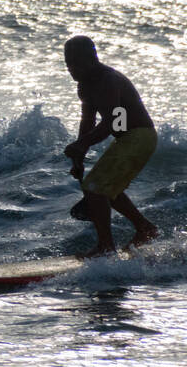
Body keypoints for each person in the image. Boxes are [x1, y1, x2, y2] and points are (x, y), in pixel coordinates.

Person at [61, 36, 159, 257]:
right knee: (105, 188)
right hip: (127, 139)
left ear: (92, 59)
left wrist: (81, 144)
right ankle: (145, 228)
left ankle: (105, 247)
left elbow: (116, 122)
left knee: (95, 188)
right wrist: (79, 156)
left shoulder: (109, 80)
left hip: (140, 137)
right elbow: (87, 123)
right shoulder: (85, 87)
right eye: (68, 64)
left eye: (77, 63)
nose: (72, 69)